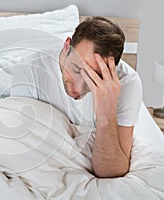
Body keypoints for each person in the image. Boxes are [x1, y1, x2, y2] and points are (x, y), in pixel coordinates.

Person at [11, 16, 142, 178]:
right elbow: (23, 150)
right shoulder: (29, 68)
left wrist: (106, 115)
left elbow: (111, 171)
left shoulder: (127, 82)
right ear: (67, 47)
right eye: (77, 69)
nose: (79, 87)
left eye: (94, 77)